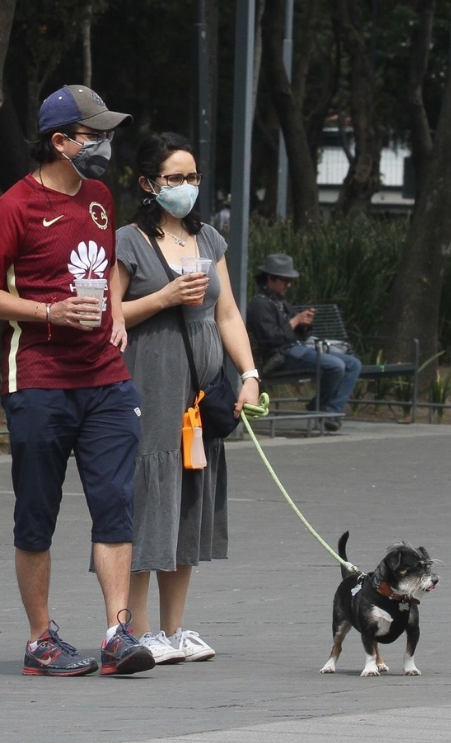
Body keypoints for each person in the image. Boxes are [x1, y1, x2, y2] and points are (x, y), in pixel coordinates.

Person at [0, 85, 154, 677]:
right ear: (61, 141)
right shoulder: (12, 207)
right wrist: (47, 313)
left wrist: (115, 312)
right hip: (39, 380)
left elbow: (101, 275)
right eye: (92, 134)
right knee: (37, 511)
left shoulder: (99, 198)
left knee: (116, 503)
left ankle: (119, 634)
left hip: (105, 378)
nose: (104, 144)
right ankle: (40, 640)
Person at [113, 132, 259, 666]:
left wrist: (249, 373)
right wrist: (164, 297)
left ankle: (175, 629)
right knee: (149, 499)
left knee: (190, 497)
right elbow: (110, 317)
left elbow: (228, 315)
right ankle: (140, 628)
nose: (186, 187)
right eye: (175, 178)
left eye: (192, 177)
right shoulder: (128, 241)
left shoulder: (209, 240)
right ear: (149, 183)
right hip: (149, 386)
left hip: (201, 394)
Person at [245, 254, 361, 432]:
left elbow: (299, 334)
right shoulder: (259, 305)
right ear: (270, 278)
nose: (288, 285)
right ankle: (323, 410)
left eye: (290, 281)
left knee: (353, 364)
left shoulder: (280, 302)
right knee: (336, 366)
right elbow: (271, 339)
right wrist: (295, 321)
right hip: (278, 356)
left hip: (297, 350)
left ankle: (330, 411)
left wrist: (305, 324)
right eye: (284, 280)